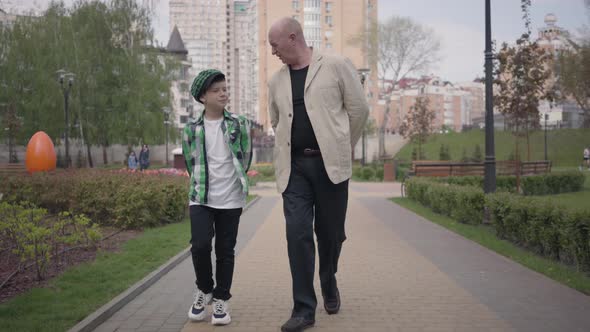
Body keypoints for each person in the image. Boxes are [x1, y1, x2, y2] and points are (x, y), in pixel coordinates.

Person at [267, 17, 369, 332]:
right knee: (297, 234)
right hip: (294, 168)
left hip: (330, 167)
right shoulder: (276, 80)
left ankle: (329, 276)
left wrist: (340, 145)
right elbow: (276, 121)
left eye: (275, 45)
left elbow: (359, 110)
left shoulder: (336, 65)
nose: (273, 52)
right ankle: (303, 310)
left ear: (293, 37)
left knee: (331, 233)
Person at [182, 69, 252, 326]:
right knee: (199, 245)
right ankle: (205, 289)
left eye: (224, 88)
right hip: (201, 196)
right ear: (203, 97)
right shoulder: (191, 129)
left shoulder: (239, 123)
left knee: (225, 251)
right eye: (216, 90)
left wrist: (236, 183)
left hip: (231, 198)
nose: (223, 93)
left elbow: (245, 157)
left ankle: (221, 299)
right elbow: (191, 163)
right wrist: (202, 184)